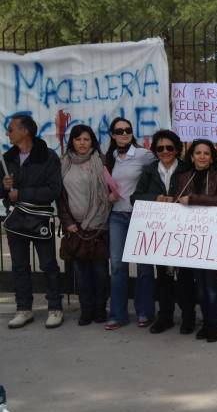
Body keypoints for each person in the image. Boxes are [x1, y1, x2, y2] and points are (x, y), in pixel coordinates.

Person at [130, 129, 196, 334]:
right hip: (159, 231)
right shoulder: (149, 170)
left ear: (176, 149)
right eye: (160, 148)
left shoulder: (188, 169)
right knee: (163, 277)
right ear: (155, 150)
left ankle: (188, 317)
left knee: (185, 276)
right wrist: (155, 198)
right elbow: (135, 197)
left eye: (169, 147)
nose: (165, 151)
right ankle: (165, 316)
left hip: (182, 229)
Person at [1, 114, 64, 329]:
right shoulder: (7, 158)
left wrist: (22, 194)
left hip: (40, 219)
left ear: (25, 131)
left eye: (11, 129)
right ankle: (23, 309)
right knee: (19, 266)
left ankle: (55, 308)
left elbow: (54, 190)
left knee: (48, 265)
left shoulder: (47, 156)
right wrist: (4, 185)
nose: (8, 133)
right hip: (16, 219)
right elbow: (4, 194)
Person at [175, 139, 217, 343]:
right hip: (192, 238)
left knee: (212, 286)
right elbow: (177, 200)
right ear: (191, 156)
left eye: (206, 153)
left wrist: (194, 200)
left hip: (213, 237)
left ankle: (213, 325)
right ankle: (206, 323)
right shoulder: (183, 177)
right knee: (199, 286)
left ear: (211, 157)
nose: (202, 156)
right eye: (198, 153)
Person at [104, 116, 156, 330]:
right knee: (117, 266)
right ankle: (118, 314)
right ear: (113, 135)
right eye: (119, 131)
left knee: (144, 266)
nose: (124, 133)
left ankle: (145, 312)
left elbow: (159, 175)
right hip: (117, 215)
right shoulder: (110, 157)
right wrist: (109, 197)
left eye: (128, 130)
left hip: (140, 215)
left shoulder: (144, 155)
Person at [57, 125, 112, 325]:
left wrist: (111, 197)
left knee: (100, 273)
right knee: (81, 274)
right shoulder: (64, 163)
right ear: (72, 141)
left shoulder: (102, 161)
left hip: (99, 225)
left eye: (86, 139)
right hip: (75, 227)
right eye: (78, 139)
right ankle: (86, 310)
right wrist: (68, 222)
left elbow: (110, 189)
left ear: (92, 142)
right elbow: (60, 197)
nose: (82, 143)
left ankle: (100, 310)